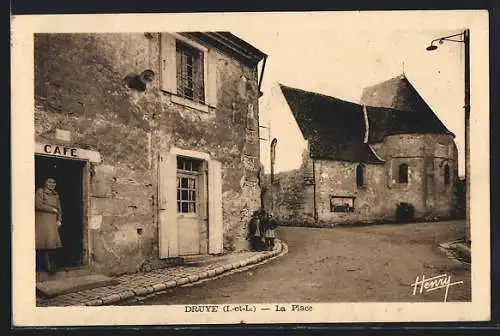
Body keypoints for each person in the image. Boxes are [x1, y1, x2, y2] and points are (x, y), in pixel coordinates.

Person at [35, 178, 63, 274]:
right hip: (42, 221)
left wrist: (59, 219)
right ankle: (44, 267)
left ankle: (51, 267)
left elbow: (59, 208)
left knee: (51, 244)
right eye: (49, 182)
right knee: (44, 244)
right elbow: (38, 205)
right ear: (45, 183)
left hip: (52, 222)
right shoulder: (40, 191)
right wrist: (52, 209)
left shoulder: (56, 194)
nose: (52, 184)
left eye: (54, 182)